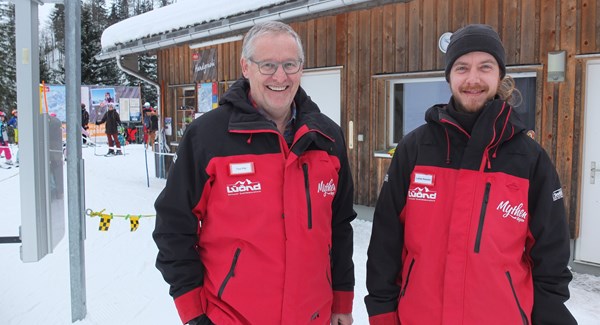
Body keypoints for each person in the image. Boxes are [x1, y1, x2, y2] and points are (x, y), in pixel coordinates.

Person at [364, 24, 577, 325]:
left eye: (485, 67)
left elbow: (551, 259)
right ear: (449, 76)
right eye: (462, 67)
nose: (473, 79)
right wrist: (382, 314)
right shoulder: (415, 148)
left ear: (499, 75)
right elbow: (386, 242)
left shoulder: (530, 160)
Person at [153, 21, 356, 325]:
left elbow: (339, 227)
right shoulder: (209, 136)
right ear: (245, 67)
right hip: (231, 317)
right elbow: (173, 226)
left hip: (313, 315)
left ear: (301, 68)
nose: (280, 76)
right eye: (268, 65)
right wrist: (192, 310)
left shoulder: (327, 137)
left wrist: (342, 300)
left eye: (290, 64)